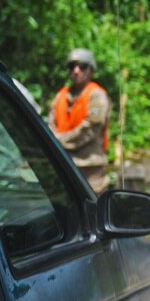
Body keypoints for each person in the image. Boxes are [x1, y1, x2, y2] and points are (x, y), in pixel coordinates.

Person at [48, 48, 110, 193]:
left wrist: (58, 142)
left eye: (82, 66)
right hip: (62, 165)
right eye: (72, 66)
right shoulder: (61, 96)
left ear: (91, 70)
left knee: (93, 209)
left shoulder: (97, 95)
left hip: (89, 168)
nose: (76, 71)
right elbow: (50, 124)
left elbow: (89, 129)